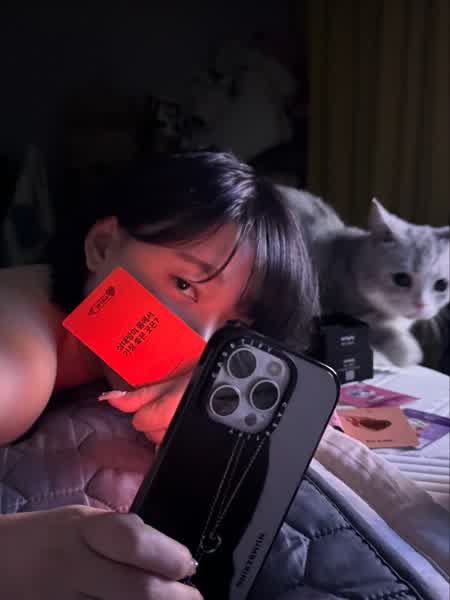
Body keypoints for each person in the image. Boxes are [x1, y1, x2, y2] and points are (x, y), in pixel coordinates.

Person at [0, 151, 318, 599]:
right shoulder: (18, 365)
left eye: (233, 326)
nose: (202, 344)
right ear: (102, 246)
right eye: (184, 285)